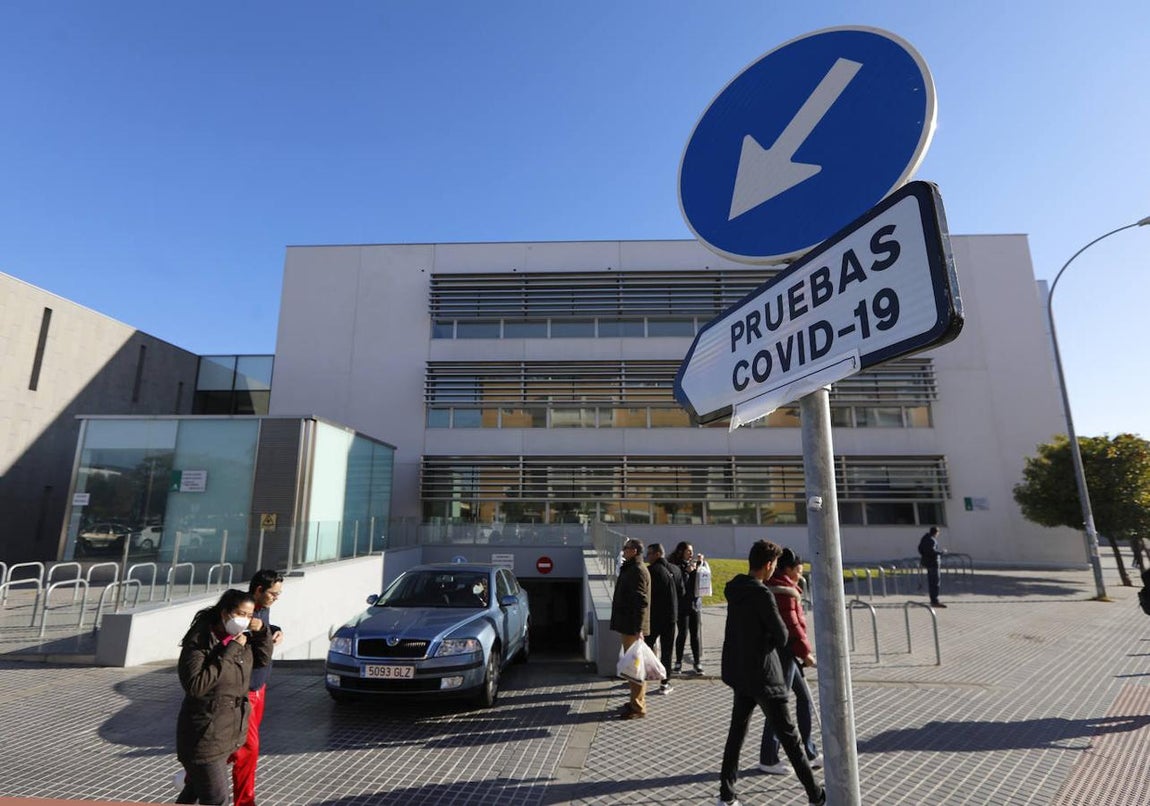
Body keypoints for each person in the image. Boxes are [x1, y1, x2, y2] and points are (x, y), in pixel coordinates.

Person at [717, 539, 825, 806]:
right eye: (774, 564)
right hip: (765, 675)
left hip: (741, 673)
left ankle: (727, 796)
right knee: (790, 738)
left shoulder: (736, 589)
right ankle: (817, 796)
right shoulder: (762, 594)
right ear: (768, 565)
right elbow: (781, 634)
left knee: (736, 736)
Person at [176, 589, 272, 805]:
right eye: (240, 614)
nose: (245, 620)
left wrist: (263, 632)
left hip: (229, 732)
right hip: (204, 736)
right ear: (225, 612)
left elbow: (262, 661)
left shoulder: (241, 639)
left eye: (249, 616)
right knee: (217, 799)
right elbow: (196, 685)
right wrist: (230, 651)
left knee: (194, 790)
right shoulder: (201, 640)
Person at [759, 548, 821, 774]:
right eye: (799, 568)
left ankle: (810, 751)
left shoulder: (784, 587)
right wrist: (806, 653)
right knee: (779, 705)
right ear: (788, 569)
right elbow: (792, 625)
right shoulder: (783, 591)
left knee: (803, 698)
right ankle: (768, 757)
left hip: (788, 653)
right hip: (784, 653)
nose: (801, 571)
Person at [229, 570, 285, 806]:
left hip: (259, 687)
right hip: (245, 690)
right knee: (248, 748)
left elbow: (264, 628)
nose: (276, 598)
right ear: (259, 590)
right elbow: (233, 636)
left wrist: (275, 629)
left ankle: (196, 779)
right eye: (273, 593)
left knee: (237, 744)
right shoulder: (244, 611)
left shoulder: (263, 610)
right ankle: (244, 802)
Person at [610, 537, 651, 719]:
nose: (623, 551)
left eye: (625, 548)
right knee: (632, 668)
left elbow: (641, 602)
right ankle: (635, 701)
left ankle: (638, 707)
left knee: (635, 669)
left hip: (633, 628)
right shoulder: (631, 569)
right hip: (629, 626)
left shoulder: (637, 571)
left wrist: (638, 629)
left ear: (634, 551)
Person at [644, 542, 682, 695]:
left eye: (650, 554)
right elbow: (682, 591)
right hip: (671, 617)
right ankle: (665, 683)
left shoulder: (649, 571)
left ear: (658, 554)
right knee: (667, 651)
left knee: (646, 649)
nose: (647, 557)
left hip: (653, 617)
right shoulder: (676, 569)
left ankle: (640, 679)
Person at [669, 540, 704, 675]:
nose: (691, 554)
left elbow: (697, 583)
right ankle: (678, 663)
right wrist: (687, 572)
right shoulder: (676, 566)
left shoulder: (693, 565)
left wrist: (699, 566)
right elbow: (679, 584)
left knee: (695, 635)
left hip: (695, 604)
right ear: (681, 552)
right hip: (682, 605)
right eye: (688, 551)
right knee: (682, 634)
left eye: (692, 551)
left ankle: (697, 662)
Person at [918, 526, 948, 607]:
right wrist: (941, 552)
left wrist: (924, 556)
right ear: (936, 533)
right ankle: (935, 601)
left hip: (927, 563)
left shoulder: (924, 538)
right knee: (935, 582)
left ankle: (933, 599)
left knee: (931, 582)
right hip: (933, 563)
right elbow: (932, 551)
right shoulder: (932, 540)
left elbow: (920, 549)